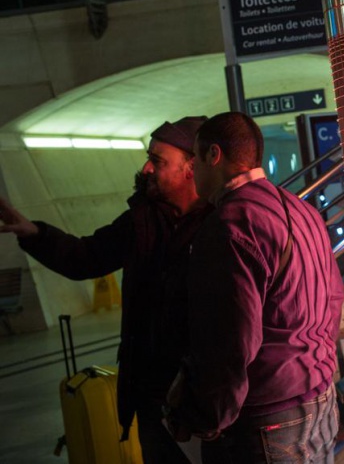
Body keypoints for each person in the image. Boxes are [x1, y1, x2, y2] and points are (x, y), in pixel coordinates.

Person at [0, 116, 210, 464]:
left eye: (157, 161)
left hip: (201, 397)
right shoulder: (143, 219)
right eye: (149, 157)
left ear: (191, 167)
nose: (145, 168)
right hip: (151, 396)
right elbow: (87, 257)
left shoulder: (221, 224)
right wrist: (34, 233)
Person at [165, 112, 344, 464]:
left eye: (194, 161)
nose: (192, 173)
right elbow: (334, 297)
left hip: (268, 419)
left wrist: (208, 416)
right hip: (319, 399)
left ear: (213, 156)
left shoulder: (230, 226)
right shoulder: (301, 209)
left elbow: (231, 342)